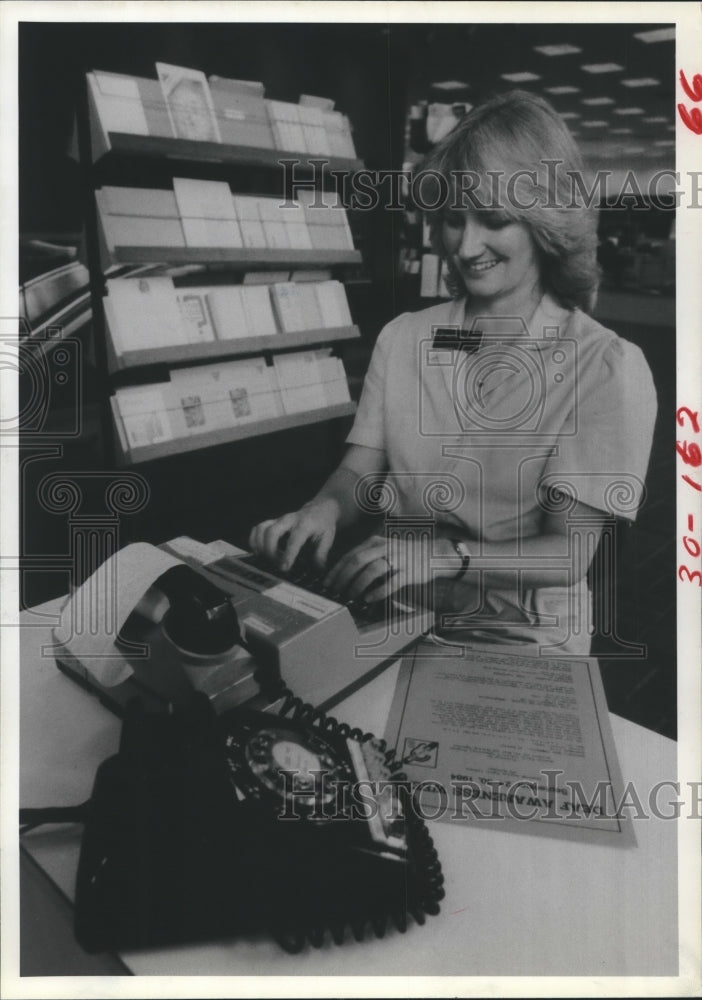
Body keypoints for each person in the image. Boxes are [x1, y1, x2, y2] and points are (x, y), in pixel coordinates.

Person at [249, 90, 657, 654]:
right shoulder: (405, 337)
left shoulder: (605, 366)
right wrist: (322, 509)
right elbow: (360, 472)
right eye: (450, 220)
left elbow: (568, 552)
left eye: (492, 220)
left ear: (545, 218)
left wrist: (441, 555)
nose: (465, 247)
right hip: (393, 611)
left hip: (517, 637)